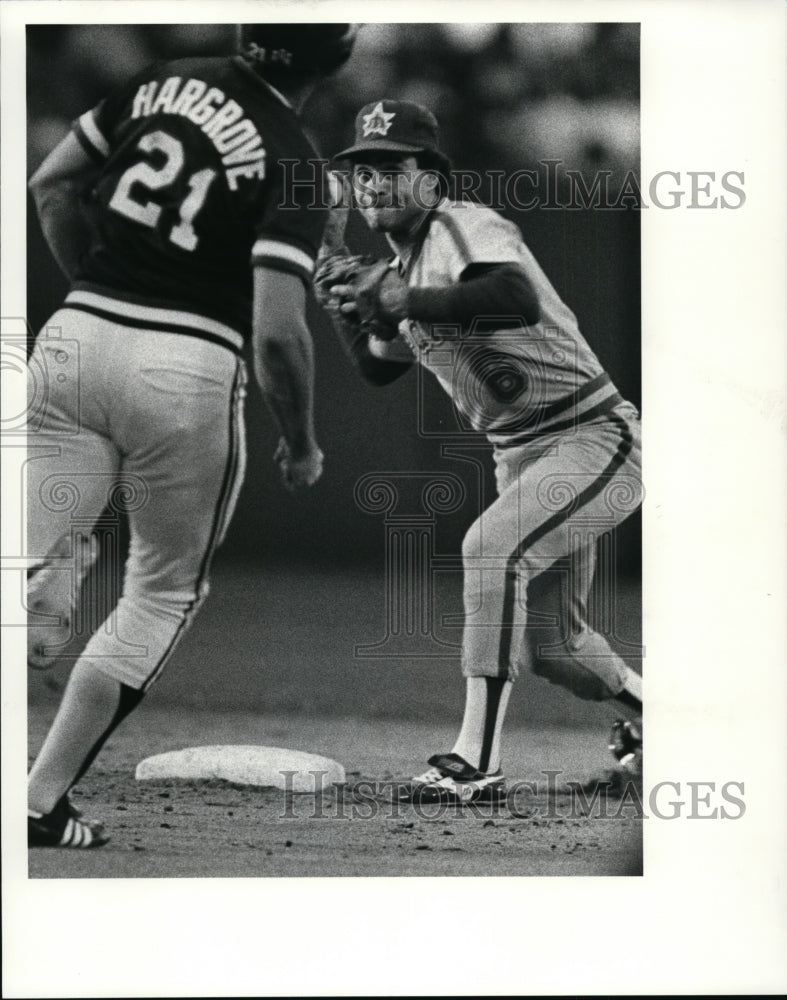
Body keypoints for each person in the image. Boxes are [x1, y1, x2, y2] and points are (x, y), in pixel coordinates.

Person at [26, 24, 359, 848]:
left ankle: (44, 579)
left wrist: (99, 293)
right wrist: (302, 439)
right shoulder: (293, 158)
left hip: (74, 333)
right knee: (161, 592)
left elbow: (51, 185)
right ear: (337, 58)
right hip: (185, 363)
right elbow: (279, 331)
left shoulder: (159, 80)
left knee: (25, 559)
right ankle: (38, 804)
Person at [315, 100, 643, 804]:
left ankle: (476, 763)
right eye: (362, 170)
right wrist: (346, 309)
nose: (372, 183)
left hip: (593, 437)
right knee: (555, 649)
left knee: (490, 549)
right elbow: (378, 367)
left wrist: (400, 298)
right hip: (522, 456)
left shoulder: (461, 224)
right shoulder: (399, 267)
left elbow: (513, 296)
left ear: (431, 177)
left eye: (390, 167)